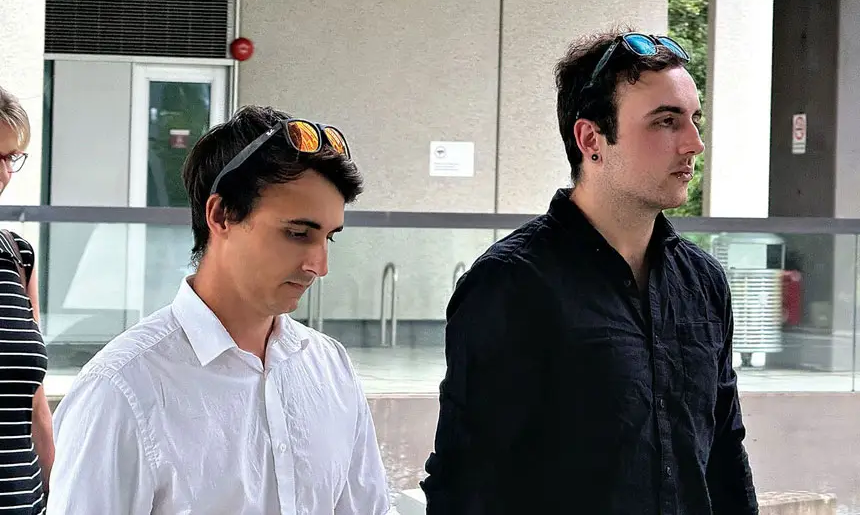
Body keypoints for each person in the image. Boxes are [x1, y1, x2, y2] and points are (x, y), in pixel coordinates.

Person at [421, 31, 758, 514]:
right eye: (666, 122)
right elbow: (467, 480)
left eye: (694, 120)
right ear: (591, 139)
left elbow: (725, 452)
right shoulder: (511, 283)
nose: (694, 144)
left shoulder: (703, 282)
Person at [48, 106, 391, 514]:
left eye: (329, 238)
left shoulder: (329, 367)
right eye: (298, 234)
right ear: (221, 214)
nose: (319, 265)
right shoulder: (122, 389)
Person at [0, 87, 55, 514]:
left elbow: (35, 403)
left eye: (10, 158)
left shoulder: (19, 257)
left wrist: (58, 495)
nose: (3, 174)